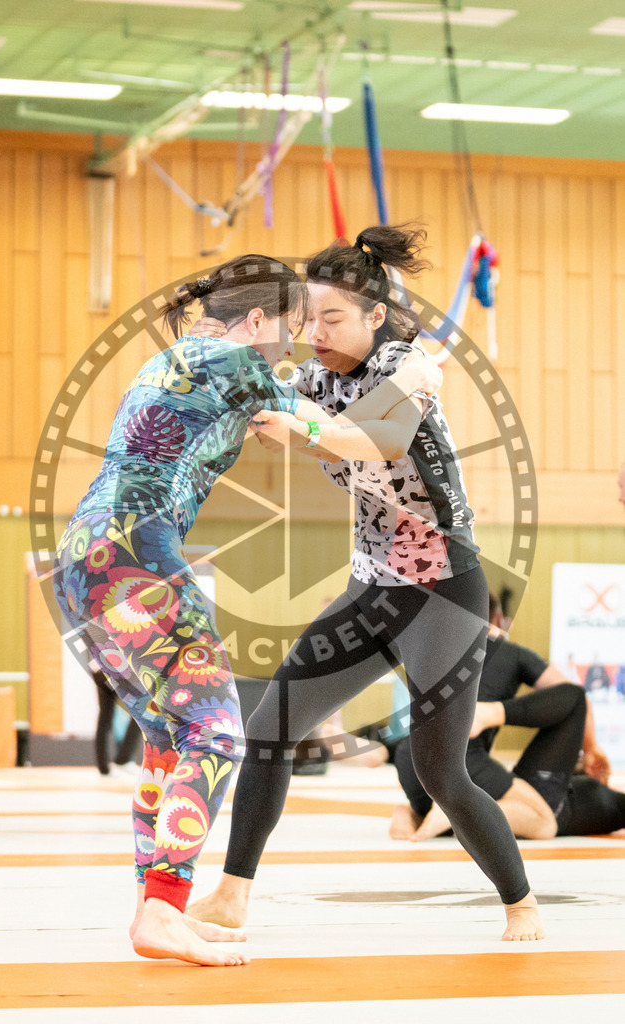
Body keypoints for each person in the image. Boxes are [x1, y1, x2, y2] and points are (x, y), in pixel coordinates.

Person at [52, 251, 438, 965]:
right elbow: (369, 439)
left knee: (172, 738)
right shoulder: (241, 367)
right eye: (288, 330)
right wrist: (411, 379)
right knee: (219, 730)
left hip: (86, 551)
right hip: (136, 549)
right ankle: (163, 905)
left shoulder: (176, 359)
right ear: (255, 320)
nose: (293, 345)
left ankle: (155, 909)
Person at [188, 226, 545, 942]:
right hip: (373, 589)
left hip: (445, 590)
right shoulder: (312, 377)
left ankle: (519, 904)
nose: (314, 333)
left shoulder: (405, 364)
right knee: (270, 730)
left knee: (440, 771)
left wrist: (298, 428)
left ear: (374, 316)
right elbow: (240, 387)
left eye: (331, 318)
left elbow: (374, 439)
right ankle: (230, 894)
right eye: (307, 319)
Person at [390, 591, 614, 841]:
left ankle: (414, 813)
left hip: (410, 759)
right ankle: (455, 817)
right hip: (462, 762)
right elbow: (574, 697)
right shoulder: (508, 652)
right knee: (545, 823)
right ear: (497, 619)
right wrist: (591, 747)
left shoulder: (430, 650)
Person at [392, 685, 625, 840]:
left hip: (550, 803)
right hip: (548, 796)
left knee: (574, 699)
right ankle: (427, 815)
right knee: (574, 697)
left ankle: (446, 816)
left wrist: (588, 752)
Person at [92, 669, 143, 777]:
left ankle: (103, 767)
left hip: (100, 671)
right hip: (119, 671)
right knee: (141, 710)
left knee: (104, 717)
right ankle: (124, 759)